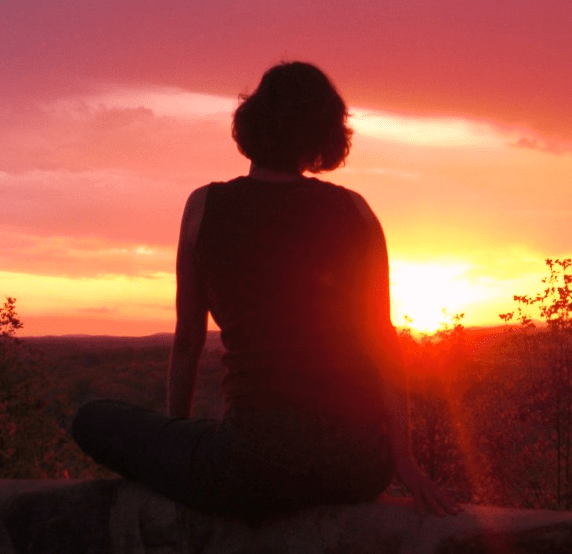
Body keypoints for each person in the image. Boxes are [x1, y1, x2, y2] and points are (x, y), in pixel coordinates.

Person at [71, 61, 462, 521]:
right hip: (357, 468)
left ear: (251, 121)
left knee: (92, 418)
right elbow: (382, 342)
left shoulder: (205, 207)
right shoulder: (356, 211)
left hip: (254, 466)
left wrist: (176, 435)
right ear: (324, 135)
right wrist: (404, 461)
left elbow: (189, 340)